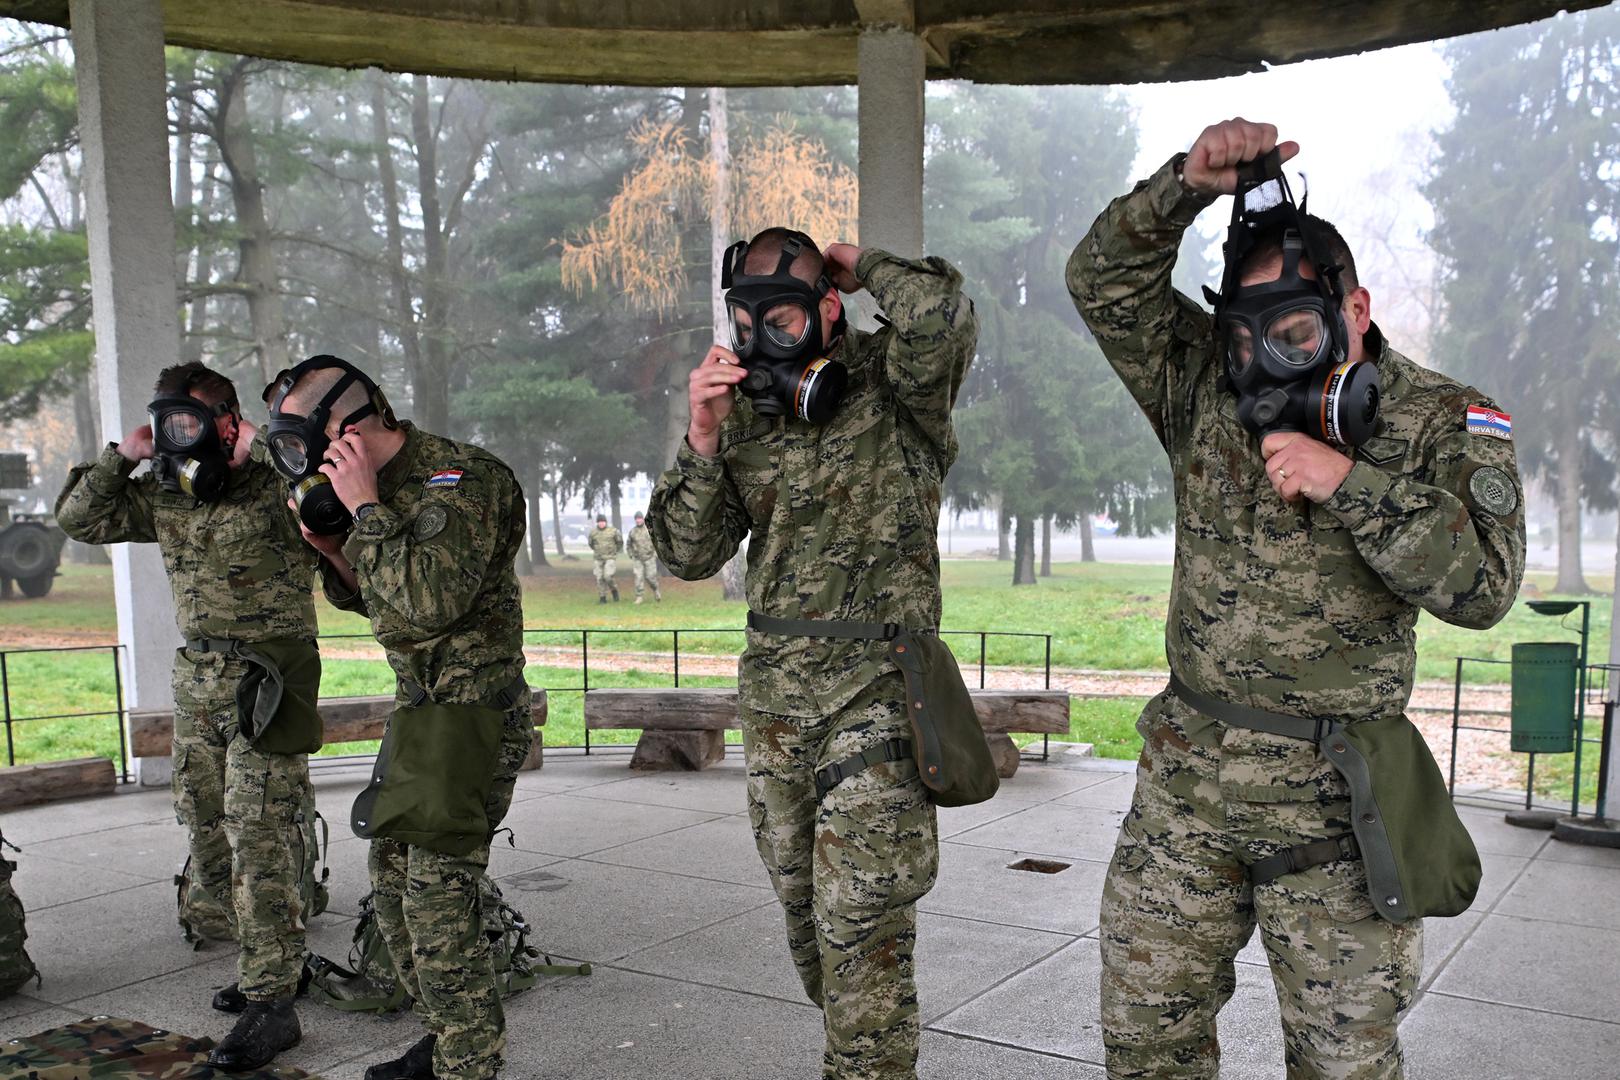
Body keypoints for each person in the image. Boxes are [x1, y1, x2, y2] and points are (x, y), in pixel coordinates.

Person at [1067, 118, 1526, 1078]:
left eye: (1296, 333)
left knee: (1344, 1066)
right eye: (1245, 337)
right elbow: (1100, 282)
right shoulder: (1203, 384)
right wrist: (1185, 186)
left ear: (1354, 308)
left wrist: (1349, 483)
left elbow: (1484, 588)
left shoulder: (1446, 418)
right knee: (1145, 1048)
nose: (1268, 360)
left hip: (1339, 817)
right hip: (1185, 796)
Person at [647, 227, 977, 1079]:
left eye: (788, 315)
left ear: (829, 309)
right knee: (808, 917)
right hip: (778, 706)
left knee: (861, 915)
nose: (769, 339)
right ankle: (868, 1049)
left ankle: (867, 1065)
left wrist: (859, 260)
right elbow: (684, 554)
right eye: (751, 321)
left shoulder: (897, 385)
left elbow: (942, 314)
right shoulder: (745, 414)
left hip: (880, 691)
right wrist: (702, 436)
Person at [262, 355, 531, 1080]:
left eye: (303, 445)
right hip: (419, 714)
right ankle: (448, 1036)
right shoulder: (362, 493)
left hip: (472, 716)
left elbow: (428, 605)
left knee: (439, 902)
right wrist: (332, 549)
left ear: (347, 428)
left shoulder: (462, 478)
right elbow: (374, 599)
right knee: (391, 897)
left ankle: (468, 1062)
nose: (299, 464)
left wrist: (367, 509)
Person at [56, 362, 323, 1071]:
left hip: (271, 675)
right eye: (172, 420)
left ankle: (273, 1000)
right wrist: (126, 455)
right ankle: (269, 960)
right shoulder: (167, 498)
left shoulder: (277, 483)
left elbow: (334, 497)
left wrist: (262, 446)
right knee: (205, 821)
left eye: (196, 418)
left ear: (228, 418)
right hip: (199, 678)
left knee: (260, 825)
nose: (184, 433)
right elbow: (78, 519)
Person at [626, 511, 661, 604]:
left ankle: (656, 590)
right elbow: (628, 545)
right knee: (638, 577)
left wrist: (655, 554)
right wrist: (631, 554)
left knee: (650, 577)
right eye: (636, 519)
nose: (638, 520)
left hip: (650, 558)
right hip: (638, 559)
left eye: (640, 518)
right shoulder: (632, 532)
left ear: (643, 519)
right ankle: (639, 596)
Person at [588, 514, 622, 603]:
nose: (601, 523)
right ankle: (602, 598)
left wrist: (614, 552)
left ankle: (614, 590)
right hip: (598, 558)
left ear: (606, 522)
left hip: (610, 558)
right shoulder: (593, 533)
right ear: (597, 523)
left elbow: (619, 542)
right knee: (599, 578)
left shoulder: (613, 531)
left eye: (603, 522)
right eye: (599, 522)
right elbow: (591, 544)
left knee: (608, 576)